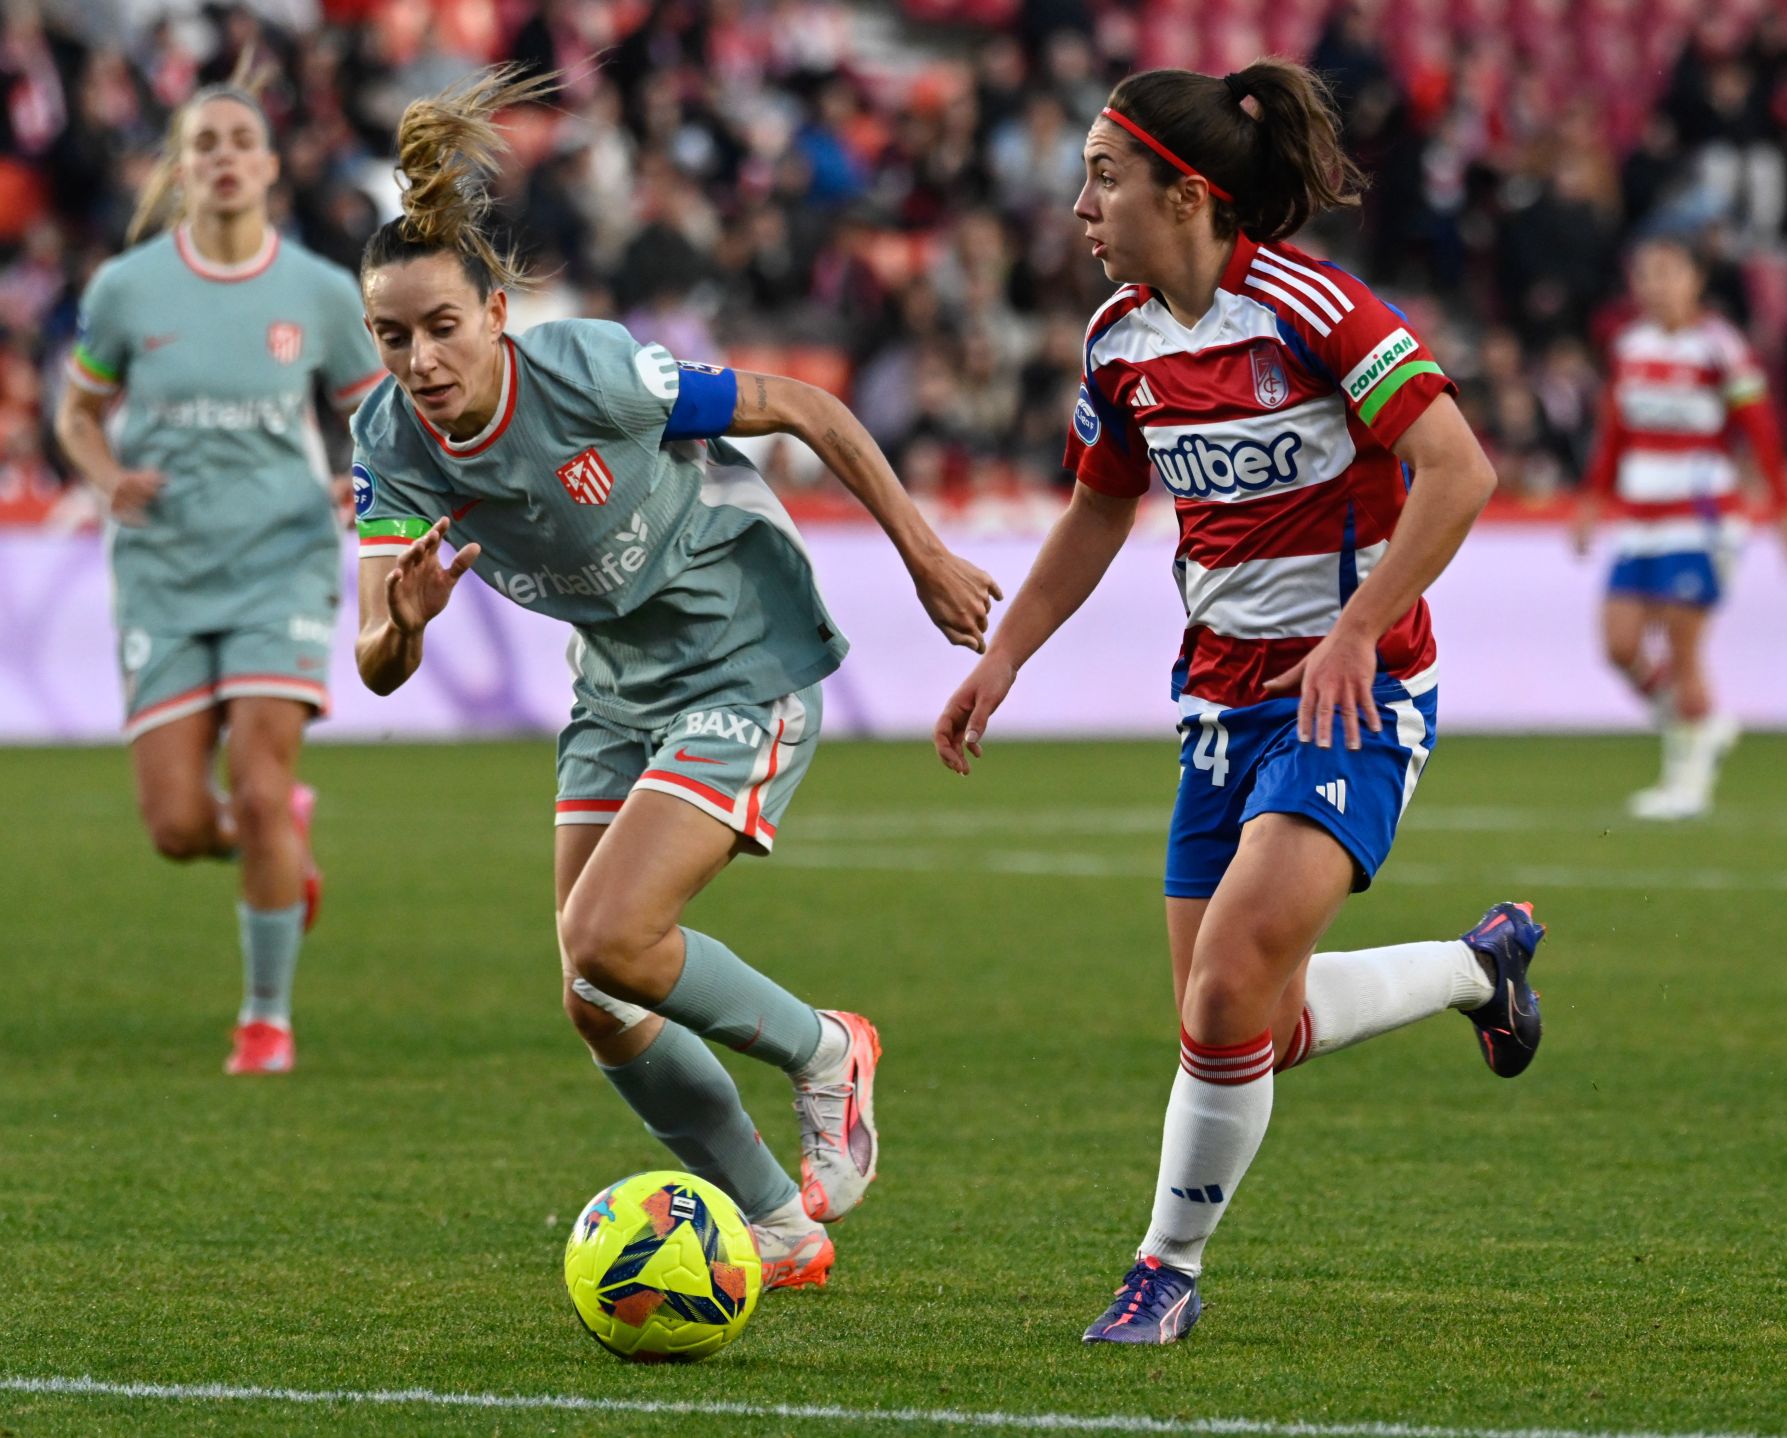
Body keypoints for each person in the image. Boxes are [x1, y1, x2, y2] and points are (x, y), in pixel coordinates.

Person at [349, 68, 999, 1290]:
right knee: (594, 992)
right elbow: (376, 666)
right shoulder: (388, 443)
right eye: (393, 336)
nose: (422, 359)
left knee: (611, 932)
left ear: (494, 311)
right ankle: (779, 1221)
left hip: (740, 654)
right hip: (618, 685)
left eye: (442, 326)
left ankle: (826, 1049)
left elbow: (801, 403)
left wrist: (923, 557)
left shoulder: (592, 372)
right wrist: (409, 623)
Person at [933, 59, 1546, 1346]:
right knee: (1248, 1020)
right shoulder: (1120, 343)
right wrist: (1008, 657)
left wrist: (1356, 630)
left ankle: (1166, 1268)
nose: (1083, 208)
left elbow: (1460, 468)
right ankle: (1475, 969)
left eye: (1107, 179)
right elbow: (1103, 506)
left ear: (1192, 193)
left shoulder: (1313, 310)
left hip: (1355, 698)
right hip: (1218, 705)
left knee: (1223, 994)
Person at [53, 70, 384, 1076]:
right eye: (206, 143)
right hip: (162, 565)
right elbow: (75, 411)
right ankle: (281, 841)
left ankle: (265, 1019)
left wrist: (354, 486)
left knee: (260, 773)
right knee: (178, 824)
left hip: (279, 562)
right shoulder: (125, 289)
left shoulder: (322, 294)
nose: (226, 156)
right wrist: (107, 476)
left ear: (272, 166)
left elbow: (381, 418)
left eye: (243, 139)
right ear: (181, 168)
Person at [1574, 238, 1787, 819]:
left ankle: (1687, 784)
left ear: (1694, 280)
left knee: (1683, 649)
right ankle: (1702, 728)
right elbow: (1615, 430)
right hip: (1641, 516)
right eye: (1645, 275)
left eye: (1667, 273)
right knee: (1620, 644)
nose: (1655, 285)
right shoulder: (1629, 346)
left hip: (1701, 518)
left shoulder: (1720, 346)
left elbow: (1760, 428)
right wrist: (1591, 499)